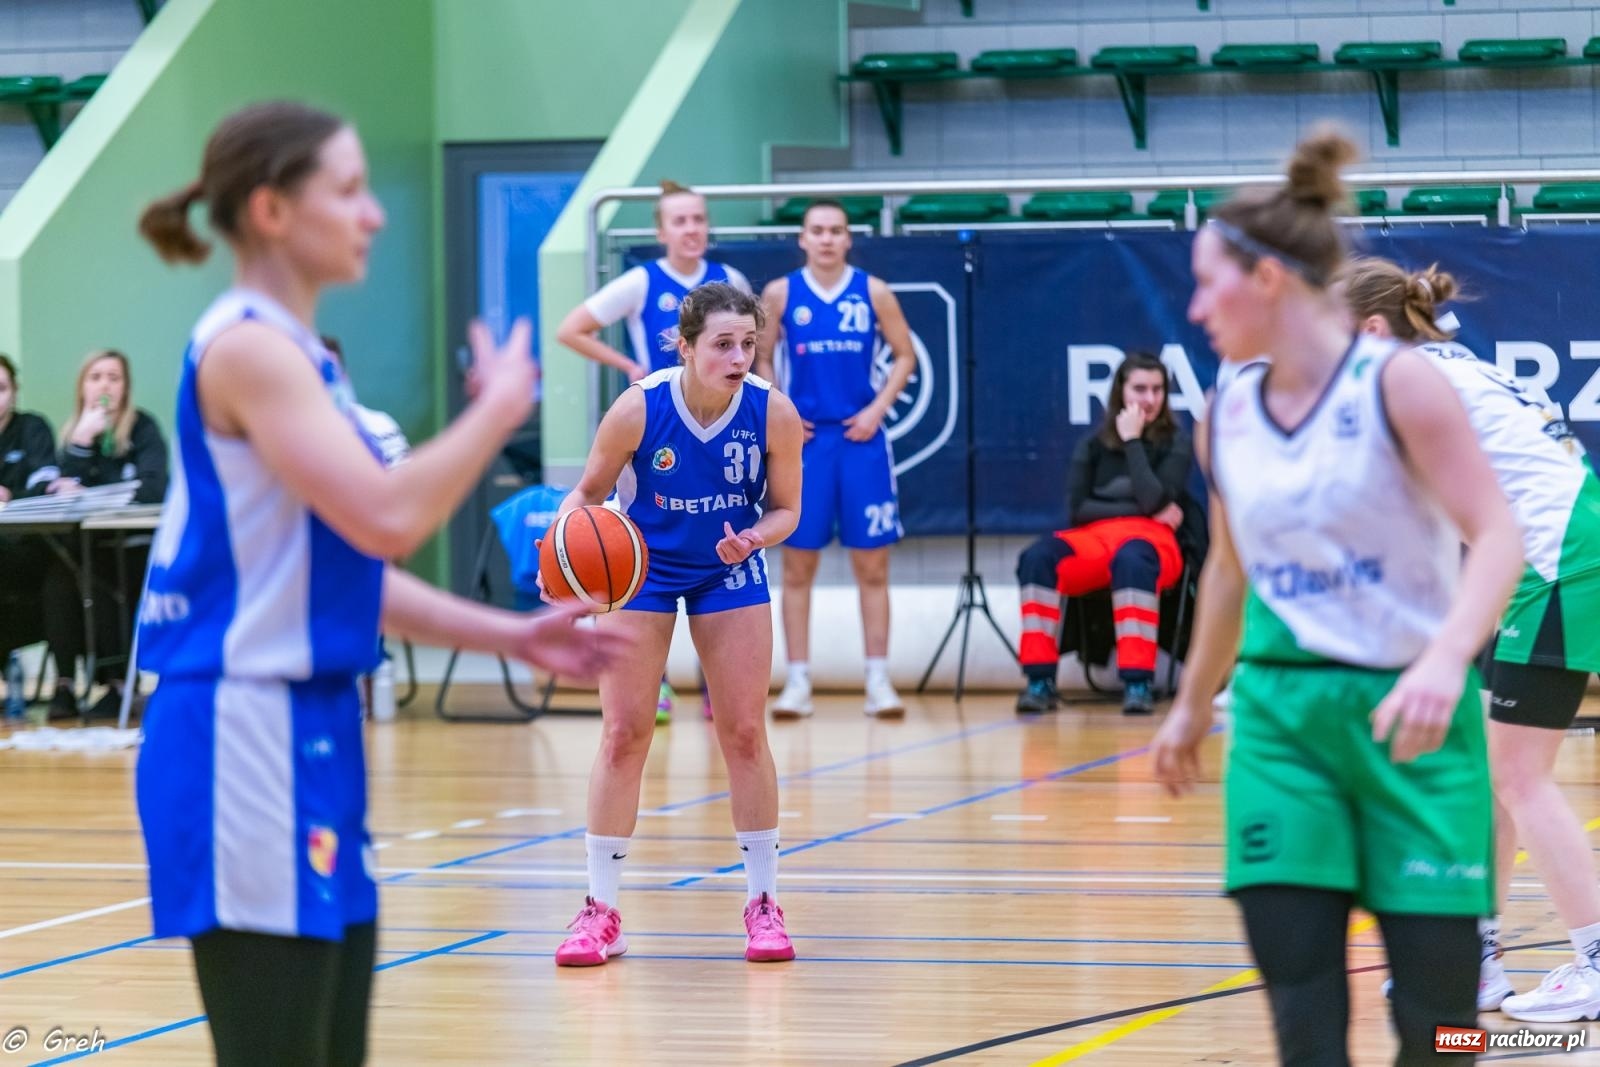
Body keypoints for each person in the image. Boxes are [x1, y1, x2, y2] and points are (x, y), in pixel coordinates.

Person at [132, 100, 626, 1067]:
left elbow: (342, 570)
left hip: (309, 728)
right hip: (237, 733)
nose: (375, 215)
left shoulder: (305, 357)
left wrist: (512, 635)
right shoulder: (246, 346)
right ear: (273, 210)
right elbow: (388, 517)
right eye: (350, 191)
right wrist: (498, 414)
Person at [1151, 130, 1522, 1065]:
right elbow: (1229, 569)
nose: (1195, 307)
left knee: (1442, 1031)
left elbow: (1501, 534)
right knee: (1305, 1018)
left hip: (1413, 716)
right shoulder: (1226, 413)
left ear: (1268, 280)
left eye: (1207, 282)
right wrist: (1192, 704)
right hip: (1283, 722)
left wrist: (1446, 657)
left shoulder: (1400, 384)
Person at [1344, 256, 1600, 1023]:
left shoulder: (1410, 381)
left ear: (1371, 329)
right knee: (1498, 767)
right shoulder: (1444, 364)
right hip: (1552, 551)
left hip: (1558, 556)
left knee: (1518, 773)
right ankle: (1475, 958)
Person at [550, 281, 803, 967]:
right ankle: (601, 910)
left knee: (745, 730)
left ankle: (763, 902)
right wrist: (570, 560)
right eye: (723, 344)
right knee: (624, 731)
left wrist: (755, 537)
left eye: (748, 343)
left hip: (729, 567)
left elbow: (788, 511)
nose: (739, 356)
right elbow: (586, 494)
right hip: (643, 570)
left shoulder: (772, 413)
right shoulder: (637, 408)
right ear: (685, 346)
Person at [555, 180, 749, 724]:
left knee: (722, 536)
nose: (692, 229)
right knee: (642, 545)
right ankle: (654, 681)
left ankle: (721, 682)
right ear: (661, 231)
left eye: (699, 219)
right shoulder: (643, 280)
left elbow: (754, 345)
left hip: (718, 422)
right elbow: (571, 329)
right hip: (657, 426)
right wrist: (628, 369)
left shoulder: (729, 281)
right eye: (680, 221)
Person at [753, 199, 916, 718]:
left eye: (836, 231)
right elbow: (758, 355)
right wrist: (779, 409)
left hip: (860, 439)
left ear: (849, 238)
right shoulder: (779, 293)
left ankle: (878, 680)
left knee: (873, 566)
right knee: (798, 565)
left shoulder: (874, 290)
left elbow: (905, 354)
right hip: (805, 444)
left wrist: (877, 408)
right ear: (802, 238)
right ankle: (797, 682)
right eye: (817, 230)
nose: (826, 238)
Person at [1013, 352, 1195, 716]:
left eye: (1158, 390)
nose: (1149, 399)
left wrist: (1133, 442)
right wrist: (1145, 508)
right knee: (1037, 558)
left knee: (1133, 558)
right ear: (1119, 393)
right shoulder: (1092, 445)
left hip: (1154, 543)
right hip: (1094, 538)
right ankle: (1039, 680)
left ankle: (1138, 682)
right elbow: (1079, 509)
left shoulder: (1176, 442)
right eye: (1140, 389)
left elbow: (1156, 497)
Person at [39, 348, 169, 719]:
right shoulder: (74, 434)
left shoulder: (142, 428)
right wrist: (81, 444)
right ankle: (64, 684)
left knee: (109, 578)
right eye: (96, 377)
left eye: (114, 377)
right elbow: (60, 489)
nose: (105, 386)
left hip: (133, 544)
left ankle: (116, 684)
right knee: (59, 582)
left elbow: (154, 486)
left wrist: (95, 495)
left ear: (126, 387)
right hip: (86, 545)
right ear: (82, 387)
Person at [0, 353, 59, 678]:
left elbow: (47, 485)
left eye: (1, 387)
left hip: (29, 544)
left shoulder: (32, 428)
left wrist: (10, 495)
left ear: (14, 390)